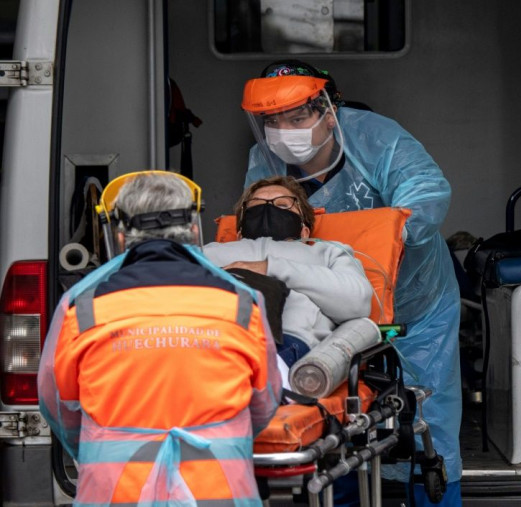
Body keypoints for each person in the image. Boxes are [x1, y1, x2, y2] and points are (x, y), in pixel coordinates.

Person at [241, 60, 462, 506]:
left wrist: (377, 242)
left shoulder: (375, 138)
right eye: (272, 121)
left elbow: (426, 192)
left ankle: (437, 495)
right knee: (333, 419)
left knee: (425, 416)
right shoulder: (263, 159)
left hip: (415, 302)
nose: (285, 131)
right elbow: (256, 231)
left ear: (329, 109)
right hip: (330, 313)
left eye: (298, 116)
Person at [38, 171, 281, 506]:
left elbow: (59, 404)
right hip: (221, 491)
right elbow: (264, 401)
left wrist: (101, 445)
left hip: (115, 493)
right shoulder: (241, 301)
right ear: (195, 230)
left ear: (121, 238)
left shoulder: (81, 307)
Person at [204, 174, 373, 385]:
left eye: (283, 205)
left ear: (304, 230)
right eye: (256, 207)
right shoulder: (206, 253)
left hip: (283, 345)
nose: (269, 209)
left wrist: (271, 267)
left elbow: (357, 302)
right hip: (204, 340)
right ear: (239, 233)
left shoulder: (326, 253)